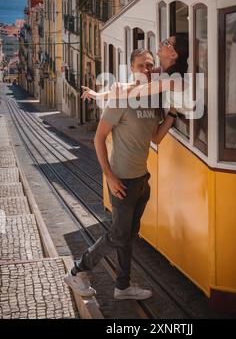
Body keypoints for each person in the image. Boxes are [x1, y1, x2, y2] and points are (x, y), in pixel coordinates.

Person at [64, 48, 179, 300]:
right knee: (118, 235)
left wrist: (171, 114)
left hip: (141, 180)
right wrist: (110, 176)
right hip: (122, 181)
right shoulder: (121, 99)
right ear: (132, 69)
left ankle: (122, 287)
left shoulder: (152, 101)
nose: (147, 70)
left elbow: (156, 137)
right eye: (141, 66)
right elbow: (99, 138)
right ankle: (78, 270)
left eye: (150, 66)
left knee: (128, 236)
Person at [81, 34, 189, 105]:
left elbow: (137, 90)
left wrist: (98, 95)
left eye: (167, 43)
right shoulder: (161, 71)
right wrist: (117, 87)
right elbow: (136, 85)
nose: (160, 43)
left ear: (174, 54)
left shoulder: (174, 79)